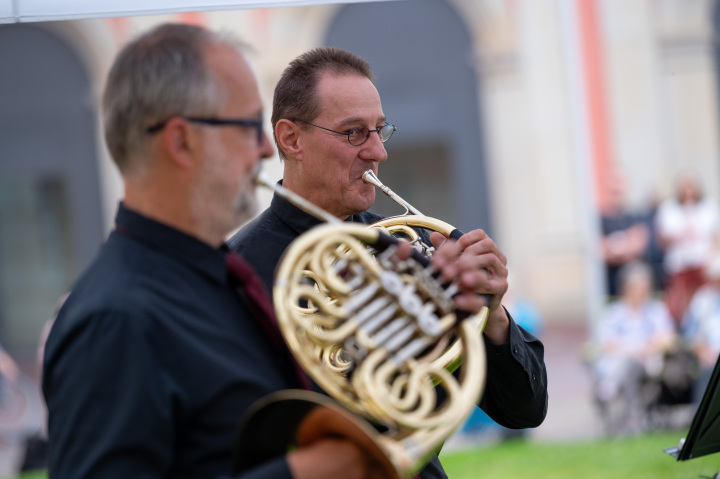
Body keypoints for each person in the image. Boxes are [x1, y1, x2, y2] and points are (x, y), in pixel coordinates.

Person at [42, 23, 391, 479]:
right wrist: (304, 473)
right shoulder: (115, 318)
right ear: (182, 141)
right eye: (248, 126)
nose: (267, 149)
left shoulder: (214, 277)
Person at [228, 46, 548, 478]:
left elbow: (525, 410)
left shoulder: (408, 242)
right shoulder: (238, 272)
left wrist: (491, 317)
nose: (378, 152)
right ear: (291, 139)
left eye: (380, 130)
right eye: (354, 133)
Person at [592, 262, 676, 435]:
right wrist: (633, 349)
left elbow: (668, 339)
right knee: (627, 364)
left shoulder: (655, 309)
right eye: (638, 287)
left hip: (648, 363)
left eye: (645, 287)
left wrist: (643, 349)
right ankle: (633, 421)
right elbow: (606, 343)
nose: (643, 291)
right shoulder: (613, 312)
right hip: (623, 361)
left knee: (628, 363)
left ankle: (610, 387)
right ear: (627, 289)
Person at [656, 174, 720, 324]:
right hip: (679, 265)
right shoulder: (669, 208)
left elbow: (715, 236)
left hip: (703, 264)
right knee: (680, 304)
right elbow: (662, 238)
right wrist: (680, 235)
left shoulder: (708, 206)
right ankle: (683, 330)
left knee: (706, 300)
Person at [599, 168, 650, 298]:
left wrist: (613, 246)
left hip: (633, 283)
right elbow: (600, 250)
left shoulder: (635, 216)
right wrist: (626, 243)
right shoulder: (600, 219)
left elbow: (637, 246)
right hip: (610, 283)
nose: (617, 191)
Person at [682, 256, 720, 405]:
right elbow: (690, 334)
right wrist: (703, 351)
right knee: (707, 370)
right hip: (708, 357)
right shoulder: (702, 300)